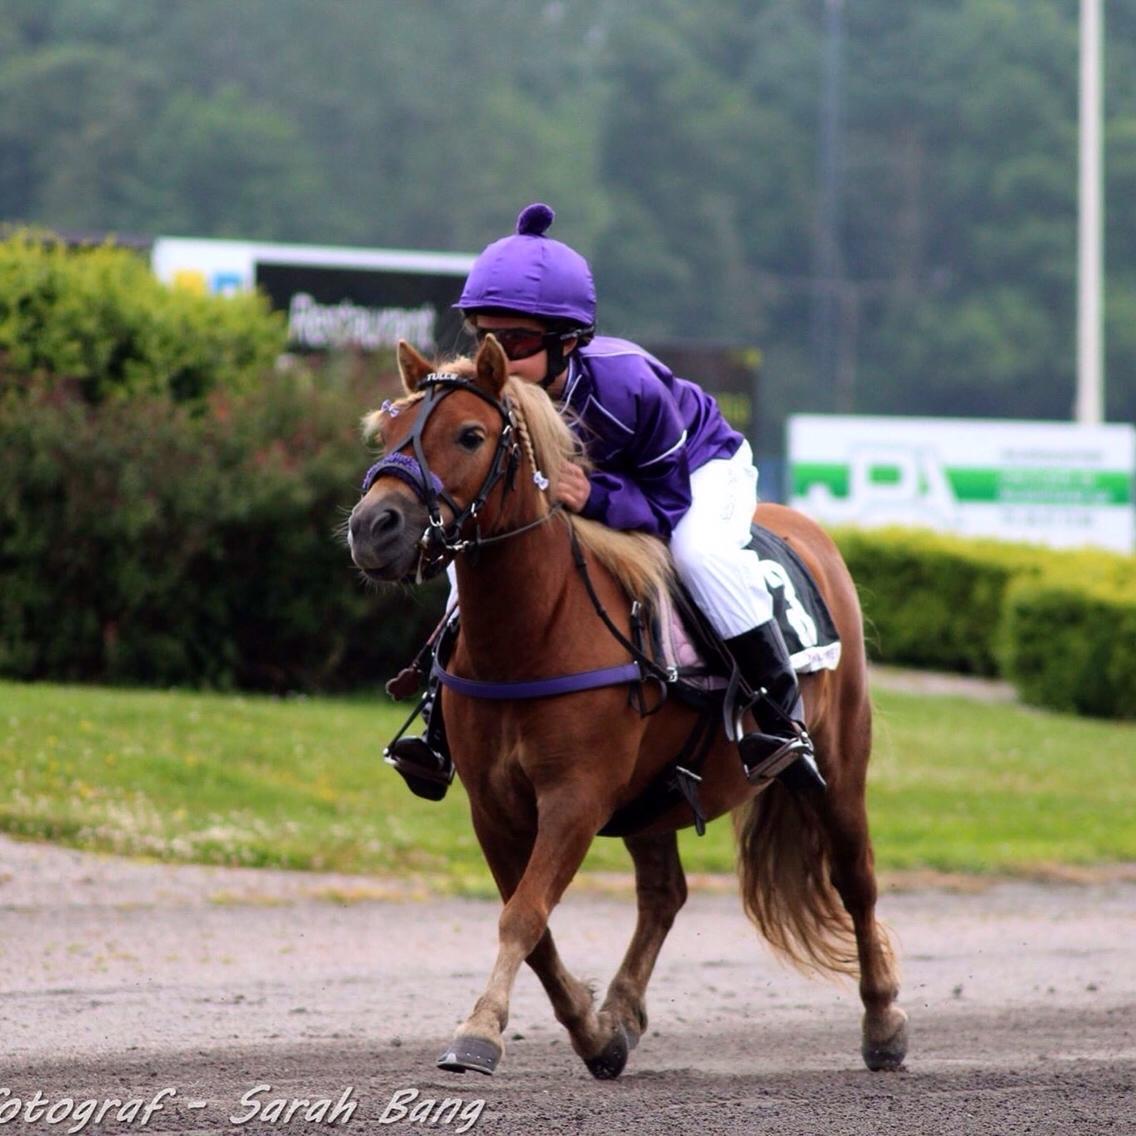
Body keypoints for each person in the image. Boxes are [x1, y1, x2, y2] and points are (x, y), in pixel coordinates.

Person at [386, 203, 823, 801]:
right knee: (473, 558)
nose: (497, 357)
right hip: (610, 483)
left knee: (700, 555)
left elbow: (668, 502)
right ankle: (438, 726)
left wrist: (596, 496)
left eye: (516, 341)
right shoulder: (494, 395)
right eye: (485, 336)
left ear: (567, 342)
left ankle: (781, 718)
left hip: (698, 468)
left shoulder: (628, 384)